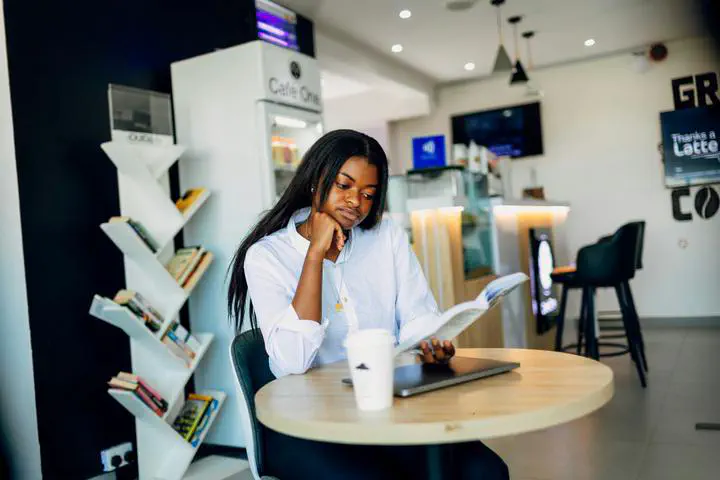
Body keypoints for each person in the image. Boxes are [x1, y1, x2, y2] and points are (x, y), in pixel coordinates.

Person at [228, 129, 509, 480]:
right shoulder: (267, 256)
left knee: (485, 471)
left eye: (368, 194)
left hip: (387, 405)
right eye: (344, 186)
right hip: (309, 421)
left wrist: (430, 341)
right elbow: (292, 360)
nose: (355, 203)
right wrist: (315, 255)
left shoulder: (385, 236)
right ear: (317, 180)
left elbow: (417, 312)